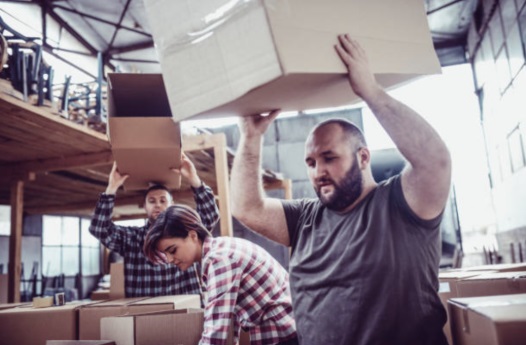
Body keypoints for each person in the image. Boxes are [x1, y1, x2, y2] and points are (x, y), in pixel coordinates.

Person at [230, 34, 452, 345]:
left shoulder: (400, 206)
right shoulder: (305, 218)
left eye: (329, 158)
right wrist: (251, 137)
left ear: (363, 157)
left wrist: (370, 91)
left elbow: (435, 162)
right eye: (310, 161)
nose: (318, 172)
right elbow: (246, 208)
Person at [143, 204, 298, 345]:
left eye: (172, 250)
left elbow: (215, 333)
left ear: (192, 236)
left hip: (285, 335)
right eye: (166, 254)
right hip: (286, 329)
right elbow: (230, 315)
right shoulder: (221, 248)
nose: (169, 259)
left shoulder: (220, 260)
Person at [89, 153, 219, 298]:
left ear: (172, 205)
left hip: (187, 309)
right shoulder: (132, 238)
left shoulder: (185, 230)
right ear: (144, 206)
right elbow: (99, 228)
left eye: (163, 201)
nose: (157, 205)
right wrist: (112, 188)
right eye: (152, 201)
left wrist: (194, 179)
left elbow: (210, 214)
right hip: (146, 313)